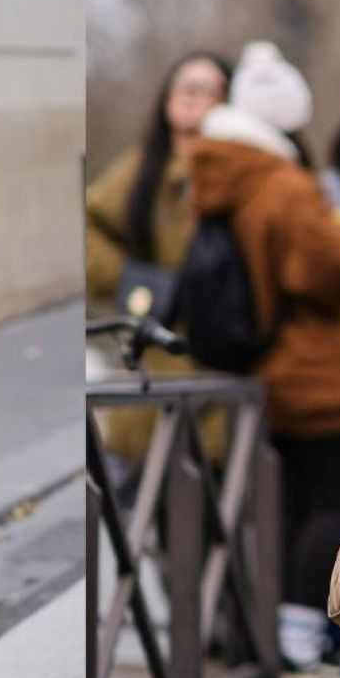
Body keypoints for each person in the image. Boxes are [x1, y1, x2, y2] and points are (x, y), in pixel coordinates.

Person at [182, 41, 340, 672]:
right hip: (314, 370)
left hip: (264, 364)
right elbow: (327, 272)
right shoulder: (282, 184)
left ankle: (278, 628)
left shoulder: (222, 173)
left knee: (290, 502)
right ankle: (298, 626)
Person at [86, 51, 229, 461]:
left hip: (222, 363)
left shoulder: (238, 169)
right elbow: (88, 224)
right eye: (184, 86)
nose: (193, 98)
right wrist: (133, 280)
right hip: (157, 355)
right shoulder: (142, 169)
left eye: (207, 89)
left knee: (212, 503)